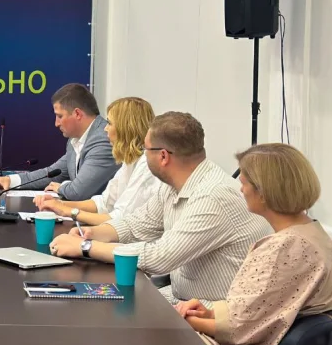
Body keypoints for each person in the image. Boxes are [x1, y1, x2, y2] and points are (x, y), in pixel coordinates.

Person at [49, 112, 271, 305]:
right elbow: (137, 224)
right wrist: (92, 233)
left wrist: (85, 247)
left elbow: (160, 257)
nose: (143, 155)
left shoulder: (213, 196)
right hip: (182, 297)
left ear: (163, 156)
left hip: (212, 313)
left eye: (145, 149)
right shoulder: (175, 185)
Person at [175, 144, 332, 345]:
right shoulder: (312, 234)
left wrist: (183, 320)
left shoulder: (285, 248)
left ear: (264, 192)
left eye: (244, 182)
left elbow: (237, 331)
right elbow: (263, 311)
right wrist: (210, 313)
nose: (241, 189)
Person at [35, 97, 162, 226]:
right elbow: (104, 203)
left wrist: (69, 211)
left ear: (126, 128)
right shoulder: (129, 161)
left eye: (110, 123)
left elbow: (121, 220)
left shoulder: (146, 165)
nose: (105, 129)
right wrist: (59, 204)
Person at [0, 83, 119, 199]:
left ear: (77, 114)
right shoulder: (75, 140)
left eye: (59, 116)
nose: (56, 123)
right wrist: (9, 180)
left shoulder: (104, 140)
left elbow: (78, 192)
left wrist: (61, 187)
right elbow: (53, 173)